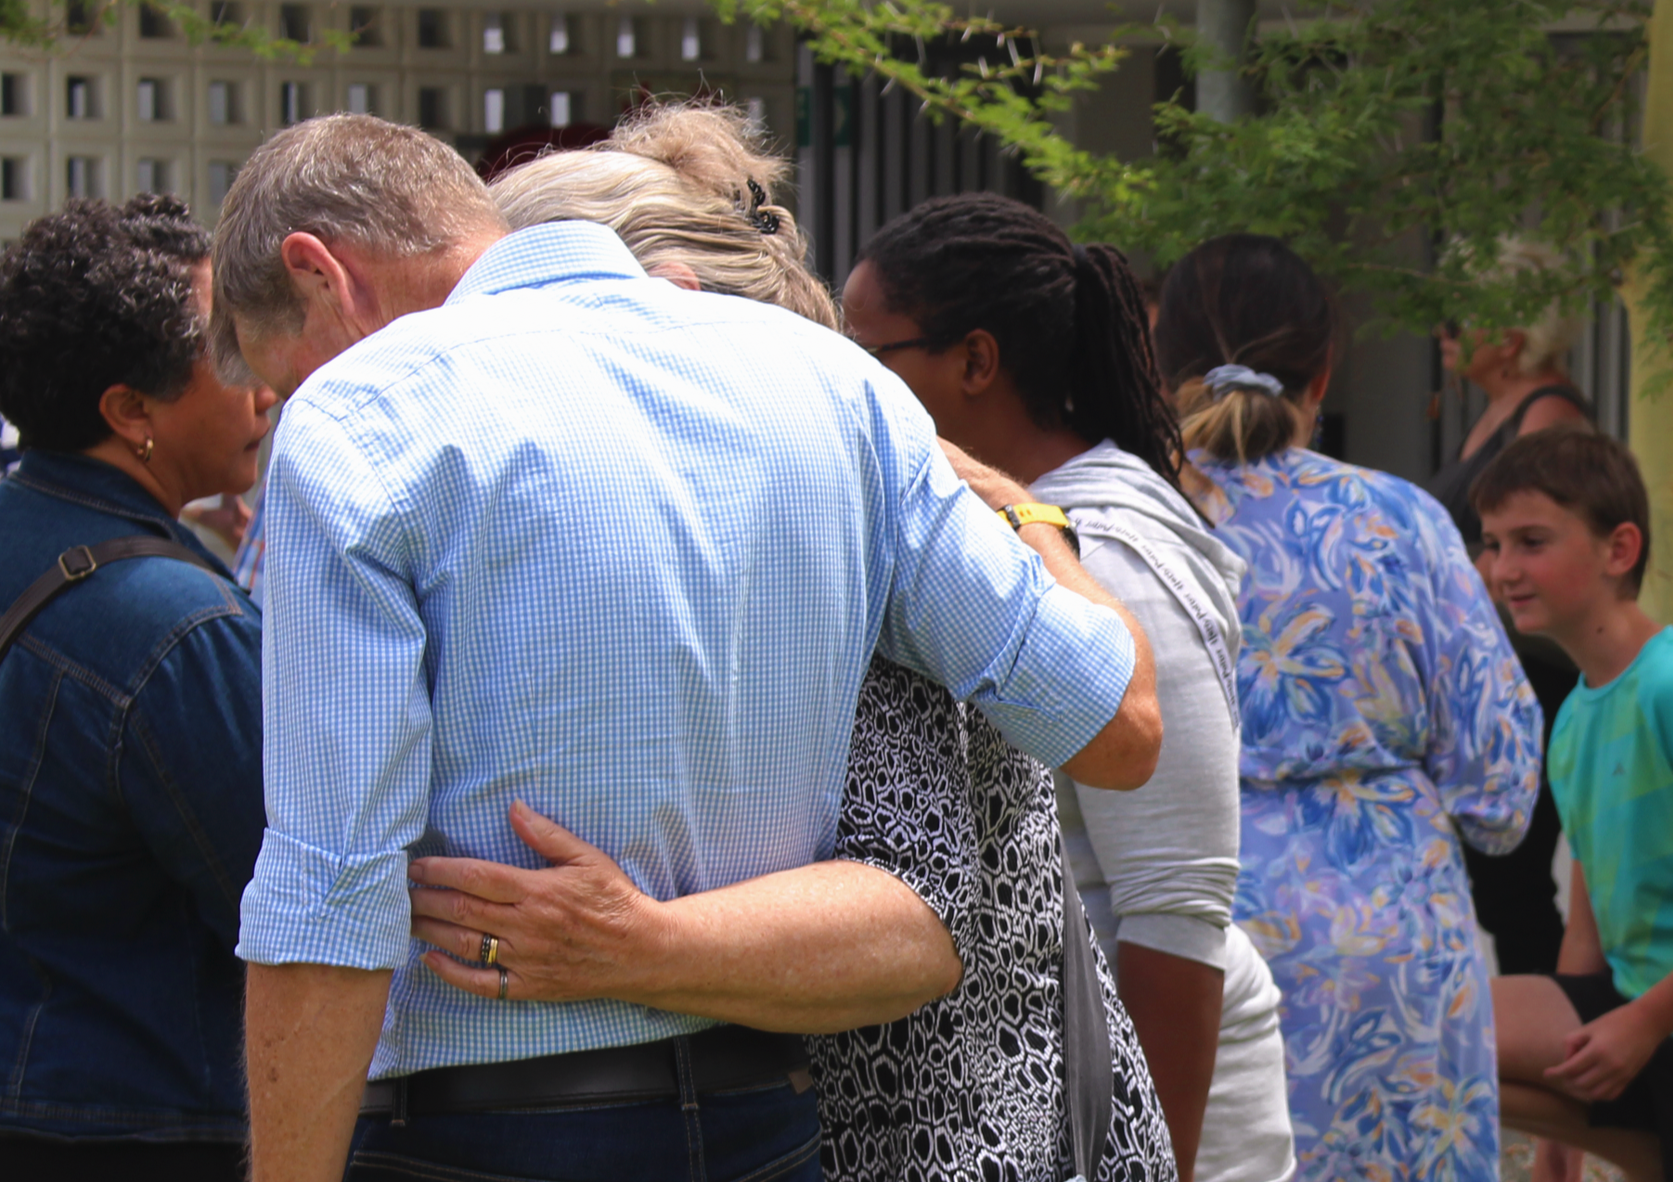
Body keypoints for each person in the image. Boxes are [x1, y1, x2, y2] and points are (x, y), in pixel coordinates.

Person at [212, 114, 1163, 1182]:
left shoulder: (361, 415)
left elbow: (330, 886)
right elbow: (1115, 725)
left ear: (320, 274)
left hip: (475, 1134)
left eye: (286, 374)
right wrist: (1029, 516)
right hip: (768, 1125)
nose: (287, 406)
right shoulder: (841, 386)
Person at [839, 192, 1295, 1182]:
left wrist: (1153, 1161)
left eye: (870, 356)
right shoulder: (1002, 526)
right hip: (1062, 1088)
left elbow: (1176, 911)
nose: (849, 383)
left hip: (1159, 1106)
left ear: (974, 361)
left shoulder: (1109, 552)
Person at [1157, 233, 1543, 1182]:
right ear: (1323, 373)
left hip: (1187, 936)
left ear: (1160, 362)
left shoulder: (1119, 521)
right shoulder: (1402, 521)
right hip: (1396, 945)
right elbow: (1500, 789)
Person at [0, 196, 277, 1177]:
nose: (264, 388)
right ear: (130, 412)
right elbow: (282, 901)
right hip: (136, 1118)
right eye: (229, 352)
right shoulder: (179, 627)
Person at [1481, 427, 1673, 1182]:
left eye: (1532, 541)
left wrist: (1645, 1022)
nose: (1504, 569)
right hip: (1636, 1014)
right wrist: (1558, 1141)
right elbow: (1589, 922)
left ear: (1620, 549)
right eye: (1494, 544)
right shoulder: (1573, 715)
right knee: (1433, 1024)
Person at [1427, 237, 1591, 977]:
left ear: (1513, 333)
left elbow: (1547, 544)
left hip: (1534, 670)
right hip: (1495, 666)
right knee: (1500, 882)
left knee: (1514, 880)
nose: (1443, 330)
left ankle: (1555, 1018)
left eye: (1462, 314)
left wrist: (1438, 575)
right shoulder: (1499, 410)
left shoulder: (1546, 412)